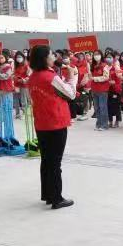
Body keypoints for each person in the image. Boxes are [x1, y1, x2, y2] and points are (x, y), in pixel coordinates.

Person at [27, 45, 76, 210]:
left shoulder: (33, 77)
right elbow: (70, 94)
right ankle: (57, 198)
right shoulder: (50, 77)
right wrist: (72, 77)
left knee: (47, 160)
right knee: (55, 162)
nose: (54, 56)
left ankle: (48, 194)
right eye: (51, 54)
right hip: (56, 122)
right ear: (45, 58)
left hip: (42, 122)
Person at [90, 50, 110, 131]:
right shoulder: (93, 65)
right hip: (94, 89)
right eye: (95, 54)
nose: (96, 56)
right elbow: (90, 76)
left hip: (102, 90)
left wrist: (95, 78)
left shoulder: (105, 66)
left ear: (101, 55)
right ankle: (98, 124)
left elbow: (106, 77)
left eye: (98, 54)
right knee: (97, 108)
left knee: (103, 107)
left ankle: (104, 125)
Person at [13, 51, 30, 119]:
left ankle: (24, 113)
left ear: (23, 57)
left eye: (20, 57)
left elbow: (29, 76)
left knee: (23, 100)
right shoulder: (15, 66)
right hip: (16, 84)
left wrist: (23, 80)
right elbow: (12, 74)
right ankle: (17, 114)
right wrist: (14, 78)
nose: (18, 58)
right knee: (16, 100)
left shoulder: (27, 66)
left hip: (24, 85)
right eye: (17, 57)